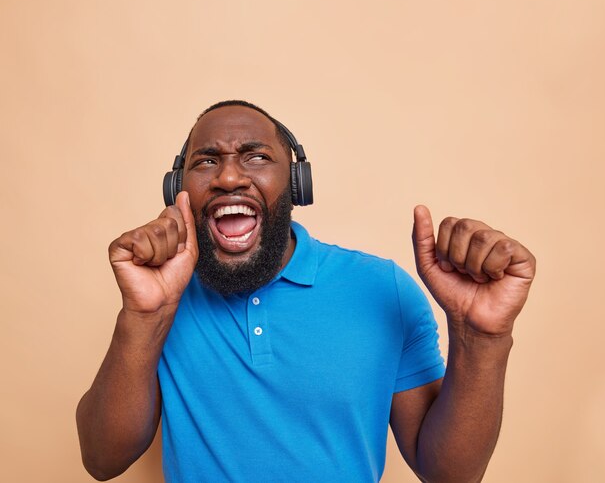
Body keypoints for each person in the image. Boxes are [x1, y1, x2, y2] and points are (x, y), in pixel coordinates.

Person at [76, 100, 536, 482]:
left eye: (256, 156)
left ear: (297, 185)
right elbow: (101, 459)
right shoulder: (164, 298)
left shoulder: (382, 289)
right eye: (207, 161)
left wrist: (483, 339)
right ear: (178, 190)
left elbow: (449, 473)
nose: (229, 178)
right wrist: (142, 315)